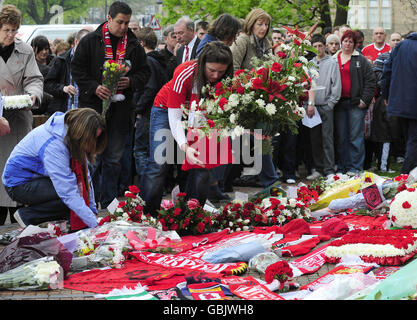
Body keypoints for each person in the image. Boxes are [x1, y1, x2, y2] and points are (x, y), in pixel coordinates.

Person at [140, 41, 234, 216]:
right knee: (160, 161)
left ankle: (192, 214)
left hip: (201, 114)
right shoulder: (185, 72)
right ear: (202, 63)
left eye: (220, 72)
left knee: (203, 162)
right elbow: (174, 118)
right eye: (211, 70)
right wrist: (184, 146)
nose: (215, 76)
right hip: (166, 109)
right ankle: (147, 213)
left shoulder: (227, 79)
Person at [71, 1, 150, 208]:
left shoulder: (133, 44)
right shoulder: (90, 41)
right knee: (89, 158)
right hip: (92, 109)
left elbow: (144, 73)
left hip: (121, 110)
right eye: (119, 22)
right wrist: (94, 87)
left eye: (126, 23)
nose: (123, 27)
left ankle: (107, 202)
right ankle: (86, 201)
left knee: (113, 158)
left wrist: (131, 81)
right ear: (109, 18)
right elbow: (77, 69)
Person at [2, 108, 106, 229]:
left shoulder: (71, 132)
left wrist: (92, 209)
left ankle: (65, 220)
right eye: (92, 138)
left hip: (37, 179)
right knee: (72, 195)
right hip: (18, 185)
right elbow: (67, 192)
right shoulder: (54, 144)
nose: (93, 143)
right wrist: (96, 226)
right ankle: (28, 216)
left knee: (78, 193)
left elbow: (85, 176)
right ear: (83, 132)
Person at [0, 4, 43, 226]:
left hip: (18, 121)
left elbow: (35, 79)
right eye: (6, 30)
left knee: (18, 173)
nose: (11, 35)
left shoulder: (25, 50)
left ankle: (20, 221)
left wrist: (33, 96)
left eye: (14, 30)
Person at [230, 8, 279, 186]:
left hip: (261, 97)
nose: (264, 27)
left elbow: (272, 69)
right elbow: (233, 67)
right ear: (251, 24)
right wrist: (243, 88)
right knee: (255, 138)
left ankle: (260, 176)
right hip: (243, 96)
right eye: (260, 24)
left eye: (266, 24)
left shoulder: (266, 43)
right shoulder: (243, 40)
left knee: (261, 137)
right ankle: (268, 178)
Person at [333, 30, 376, 175]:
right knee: (341, 137)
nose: (347, 44)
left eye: (351, 42)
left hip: (356, 104)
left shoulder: (360, 59)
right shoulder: (334, 58)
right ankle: (342, 167)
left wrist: (365, 100)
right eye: (345, 41)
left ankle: (355, 168)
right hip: (338, 104)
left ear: (354, 44)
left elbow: (371, 81)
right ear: (341, 42)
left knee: (355, 137)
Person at [134, 27, 169, 183]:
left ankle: (147, 186)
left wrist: (138, 109)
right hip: (157, 112)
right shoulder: (160, 60)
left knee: (141, 151)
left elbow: (150, 88)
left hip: (148, 112)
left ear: (141, 43)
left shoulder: (148, 61)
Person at [365, 31, 403, 172]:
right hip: (386, 99)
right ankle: (383, 164)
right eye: (393, 40)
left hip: (403, 99)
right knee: (385, 132)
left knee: (400, 130)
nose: (396, 42)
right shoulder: (383, 57)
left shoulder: (406, 58)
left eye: (398, 40)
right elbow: (378, 80)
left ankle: (400, 156)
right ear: (390, 41)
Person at [305, 34, 341, 180]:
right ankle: (318, 168)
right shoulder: (310, 64)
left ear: (325, 46)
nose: (318, 49)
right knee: (315, 139)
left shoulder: (332, 63)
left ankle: (329, 169)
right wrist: (309, 104)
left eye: (320, 46)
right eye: (315, 46)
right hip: (312, 107)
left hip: (326, 106)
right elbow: (307, 85)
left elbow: (336, 85)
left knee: (327, 138)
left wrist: (331, 103)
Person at [382, 31, 417, 174]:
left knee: (409, 138)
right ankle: (406, 173)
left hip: (399, 102)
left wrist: (386, 95)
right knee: (413, 140)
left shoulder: (399, 47)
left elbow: (386, 72)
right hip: (414, 103)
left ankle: (409, 171)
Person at [44, 29, 90, 114]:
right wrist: (63, 88)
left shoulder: (92, 61)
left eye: (89, 46)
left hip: (84, 115)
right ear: (76, 42)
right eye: (83, 45)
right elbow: (47, 84)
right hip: (63, 113)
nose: (86, 49)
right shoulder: (61, 60)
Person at [31, 35, 53, 115]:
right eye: (41, 49)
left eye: (46, 49)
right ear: (34, 49)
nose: (44, 52)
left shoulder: (55, 61)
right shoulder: (30, 64)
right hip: (38, 106)